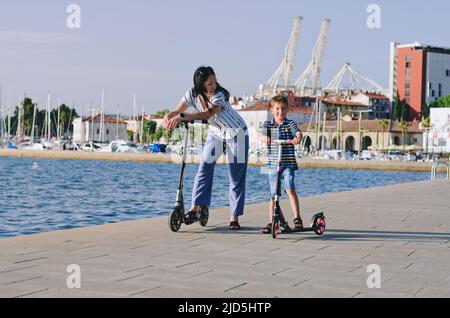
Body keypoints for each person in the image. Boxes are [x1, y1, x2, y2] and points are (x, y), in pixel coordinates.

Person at [164, 66, 249, 230]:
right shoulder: (192, 94)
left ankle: (234, 217)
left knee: (236, 176)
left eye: (215, 81)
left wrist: (182, 117)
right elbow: (176, 110)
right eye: (209, 83)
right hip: (216, 133)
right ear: (200, 84)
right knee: (204, 167)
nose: (213, 85)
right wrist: (168, 117)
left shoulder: (220, 95)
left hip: (236, 133)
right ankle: (195, 208)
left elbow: (206, 115)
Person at [259, 95, 303, 234]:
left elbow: (298, 133)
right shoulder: (268, 125)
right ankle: (272, 221)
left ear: (287, 110)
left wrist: (297, 138)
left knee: (290, 188)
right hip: (272, 165)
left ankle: (297, 218)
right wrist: (266, 138)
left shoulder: (290, 124)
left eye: (283, 109)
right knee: (273, 195)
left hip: (288, 163)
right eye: (277, 109)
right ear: (272, 110)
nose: (280, 112)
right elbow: (261, 135)